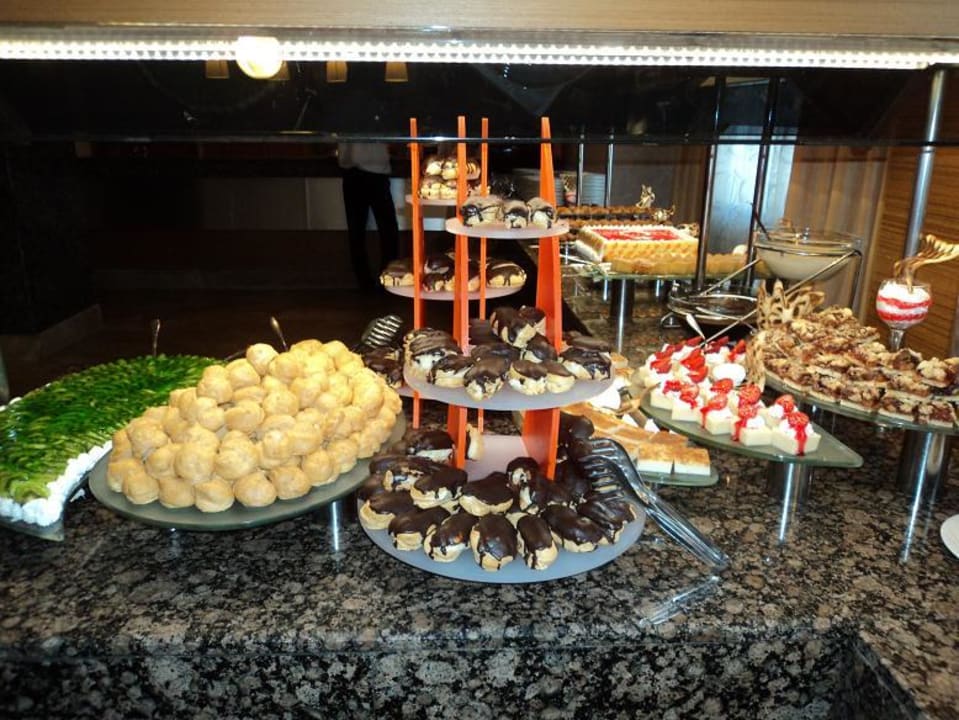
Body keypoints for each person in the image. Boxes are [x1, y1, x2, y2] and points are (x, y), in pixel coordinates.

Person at [337, 142, 400, 291]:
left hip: (353, 169)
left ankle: (366, 282)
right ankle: (387, 280)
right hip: (375, 169)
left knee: (357, 231)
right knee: (387, 230)